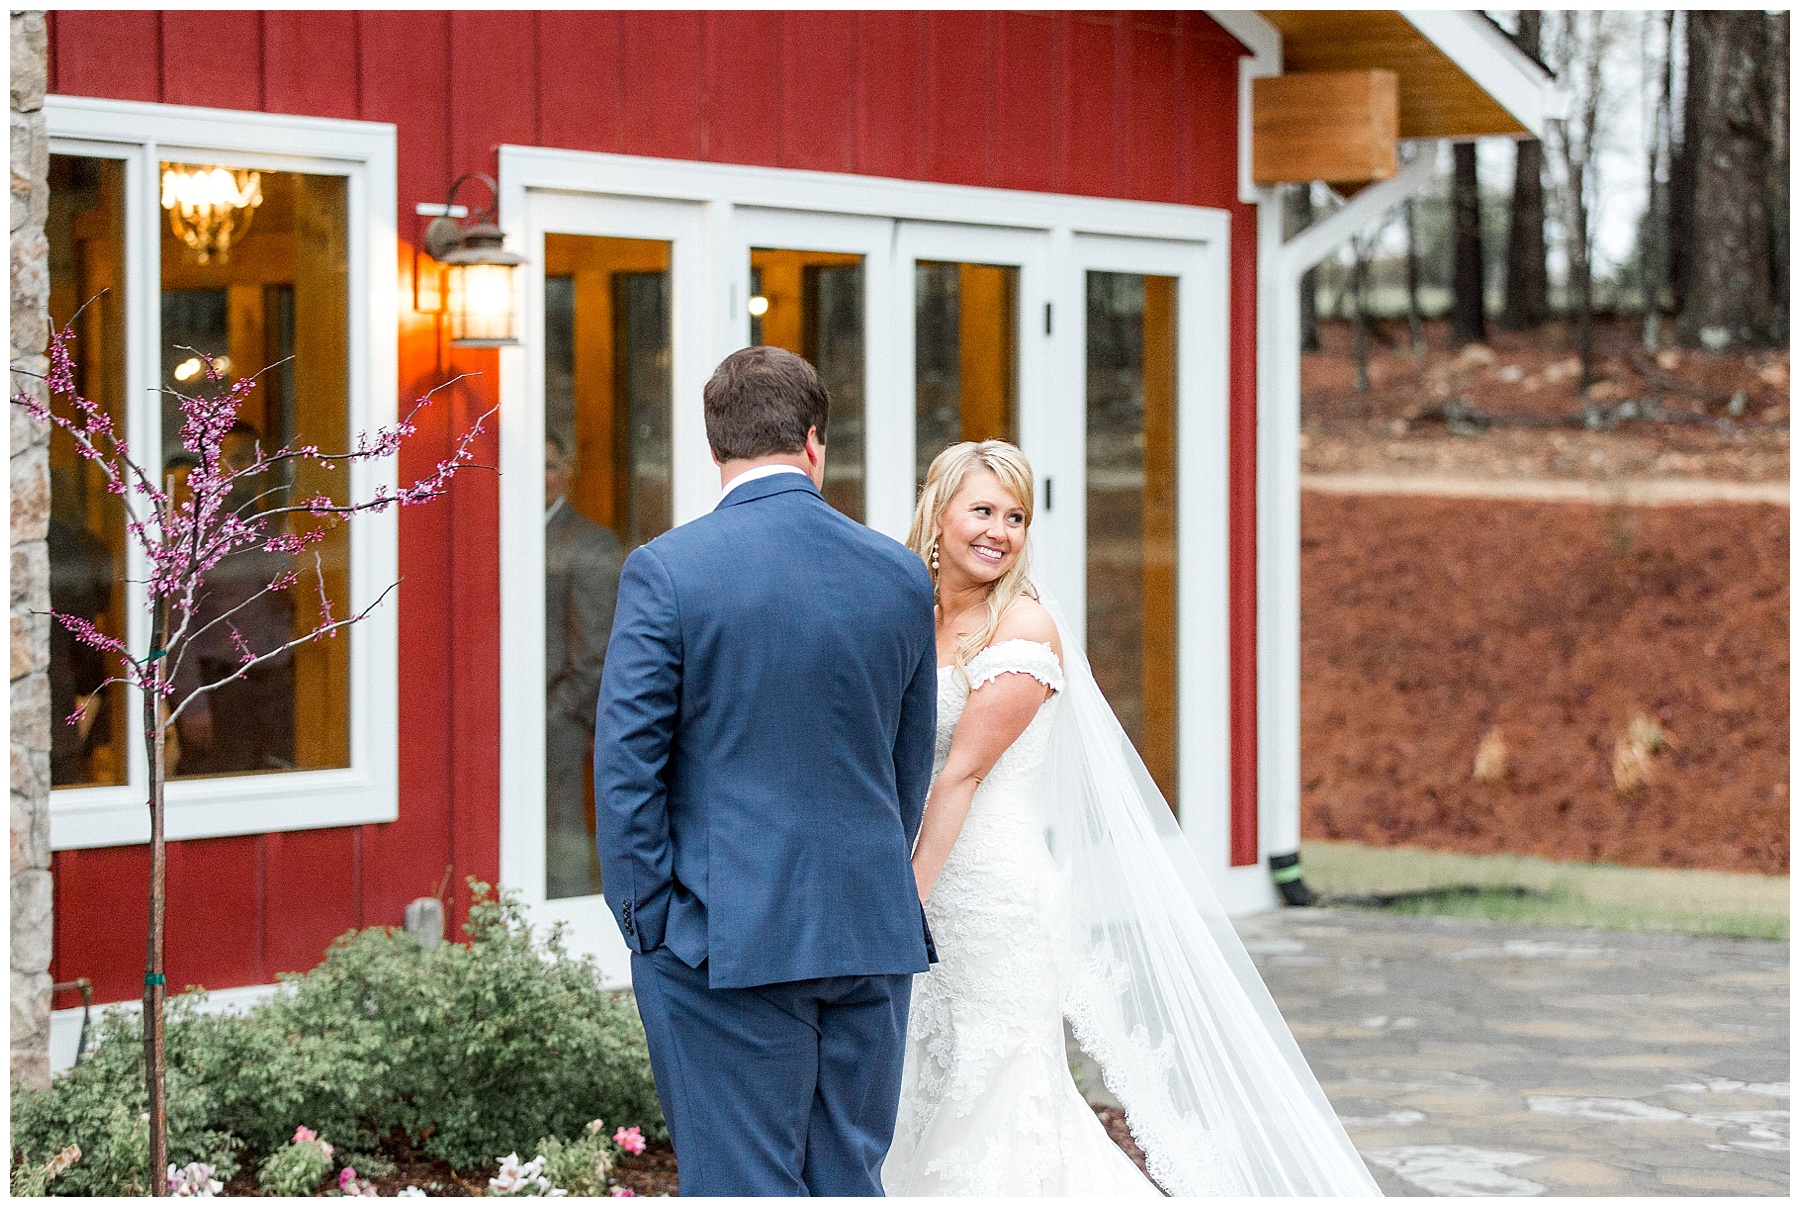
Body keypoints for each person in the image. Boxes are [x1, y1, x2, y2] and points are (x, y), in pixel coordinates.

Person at [882, 440, 1382, 1197]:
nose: (1000, 530)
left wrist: (900, 901)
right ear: (938, 512)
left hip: (990, 897)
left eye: (1015, 515)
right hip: (927, 882)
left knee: (996, 1094)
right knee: (928, 1079)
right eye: (982, 510)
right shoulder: (912, 617)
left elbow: (964, 770)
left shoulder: (1021, 628)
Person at [594, 346, 938, 1196]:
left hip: (723, 939)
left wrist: (651, 922)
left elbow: (626, 764)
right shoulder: (899, 573)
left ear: (714, 449)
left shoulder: (669, 571)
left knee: (743, 1185)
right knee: (847, 1178)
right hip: (867, 930)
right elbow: (908, 758)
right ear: (815, 441)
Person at [169, 423, 296, 775]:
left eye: (257, 458)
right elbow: (176, 628)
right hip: (221, 692)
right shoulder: (195, 533)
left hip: (275, 691)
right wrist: (191, 705)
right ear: (213, 466)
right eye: (238, 459)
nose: (251, 468)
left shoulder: (270, 527)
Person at [543, 433, 623, 898]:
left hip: (562, 719)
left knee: (563, 830)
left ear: (567, 475)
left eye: (551, 466)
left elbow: (594, 650)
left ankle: (567, 923)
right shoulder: (507, 529)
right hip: (512, 718)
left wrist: (554, 714)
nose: (543, 478)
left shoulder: (590, 542)